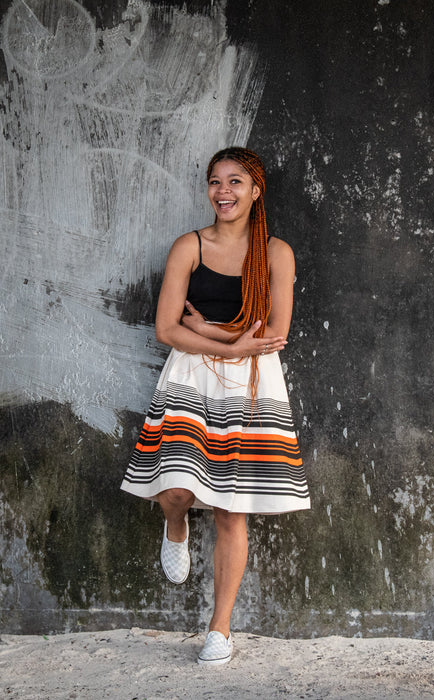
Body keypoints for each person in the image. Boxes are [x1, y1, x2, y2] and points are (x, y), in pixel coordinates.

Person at [121, 147, 310, 666]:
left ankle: (220, 629)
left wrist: (202, 328)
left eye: (235, 182)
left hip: (251, 383)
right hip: (191, 374)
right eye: (214, 182)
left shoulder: (276, 253)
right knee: (176, 488)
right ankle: (175, 525)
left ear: (255, 191)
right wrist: (223, 343)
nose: (222, 191)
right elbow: (165, 329)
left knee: (232, 508)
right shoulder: (189, 246)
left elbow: (273, 335)